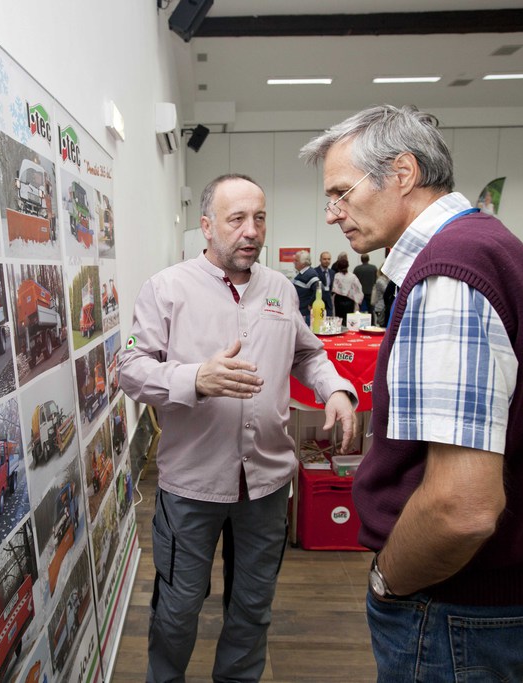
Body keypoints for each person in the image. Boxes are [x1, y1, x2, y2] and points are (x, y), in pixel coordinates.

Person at [300, 104, 523, 681]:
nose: (332, 214)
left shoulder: (450, 273)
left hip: (451, 601)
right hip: (481, 596)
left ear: (402, 173)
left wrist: (388, 580)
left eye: (342, 193)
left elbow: (460, 509)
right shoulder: (483, 246)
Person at [118, 173, 358, 683]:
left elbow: (308, 354)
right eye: (237, 219)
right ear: (206, 226)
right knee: (178, 607)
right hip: (193, 485)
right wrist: (195, 379)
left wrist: (335, 389)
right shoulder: (166, 289)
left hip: (266, 485)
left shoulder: (280, 290)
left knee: (253, 606)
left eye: (260, 218)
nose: (252, 231)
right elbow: (131, 369)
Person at [291, 250, 320, 324]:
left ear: (303, 263)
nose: (294, 262)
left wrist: (311, 304)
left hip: (305, 314)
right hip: (300, 312)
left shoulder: (310, 274)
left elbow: (319, 289)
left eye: (296, 261)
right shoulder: (302, 273)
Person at [313, 250, 335, 317]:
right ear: (320, 260)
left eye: (329, 259)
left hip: (328, 300)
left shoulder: (332, 272)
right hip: (318, 299)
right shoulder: (315, 271)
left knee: (329, 318)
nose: (327, 261)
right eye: (324, 259)